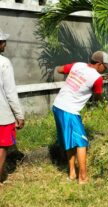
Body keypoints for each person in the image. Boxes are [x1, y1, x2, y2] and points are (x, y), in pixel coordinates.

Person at [52, 51, 108, 184]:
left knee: (69, 142)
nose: (105, 69)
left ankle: (72, 174)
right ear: (99, 64)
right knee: (81, 142)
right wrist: (102, 105)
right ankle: (83, 178)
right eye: (105, 66)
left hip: (57, 106)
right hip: (69, 110)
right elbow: (97, 97)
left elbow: (60, 69)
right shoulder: (97, 78)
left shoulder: (78, 65)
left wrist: (75, 76)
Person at [0, 29, 25, 183]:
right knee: (1, 146)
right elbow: (10, 93)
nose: (5, 45)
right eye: (3, 42)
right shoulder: (4, 63)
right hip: (2, 115)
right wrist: (19, 115)